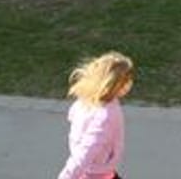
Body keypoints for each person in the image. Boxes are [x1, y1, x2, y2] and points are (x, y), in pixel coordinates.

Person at [56, 51, 134, 179]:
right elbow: (86, 152)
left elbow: (71, 116)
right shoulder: (105, 116)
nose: (130, 84)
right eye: (128, 80)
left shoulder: (86, 100)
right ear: (115, 85)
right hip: (98, 174)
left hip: (94, 171)